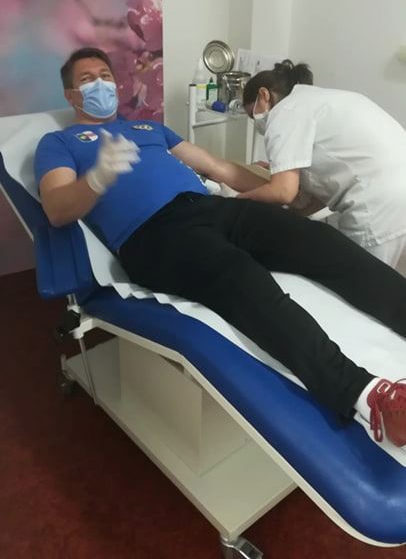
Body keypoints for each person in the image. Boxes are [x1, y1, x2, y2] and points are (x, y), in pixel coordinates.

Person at [34, 47, 406, 448]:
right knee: (240, 276)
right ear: (71, 95)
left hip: (213, 207)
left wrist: (284, 197)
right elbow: (56, 209)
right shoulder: (58, 143)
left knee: (320, 240)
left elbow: (220, 169)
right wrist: (97, 177)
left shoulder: (149, 128)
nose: (100, 84)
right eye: (88, 79)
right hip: (152, 235)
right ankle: (365, 395)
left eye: (105, 75)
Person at [241, 60, 406, 270]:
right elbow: (314, 195)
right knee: (381, 278)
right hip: (396, 190)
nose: (255, 121)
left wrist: (239, 201)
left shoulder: (284, 111)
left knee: (363, 280)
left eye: (252, 114)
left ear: (264, 95)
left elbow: (283, 191)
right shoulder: (314, 101)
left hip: (377, 203)